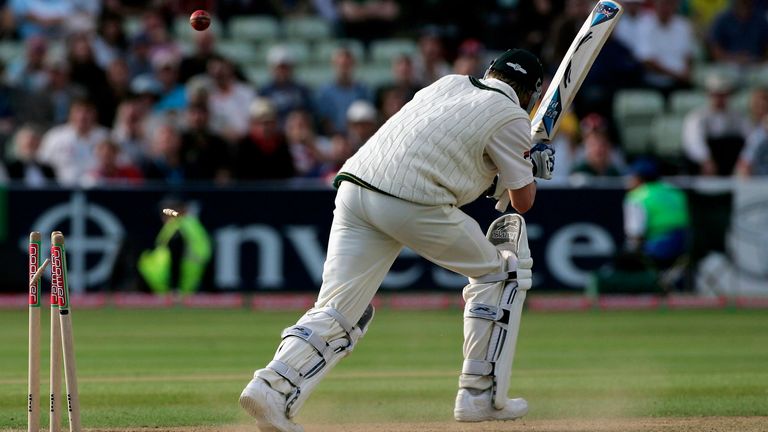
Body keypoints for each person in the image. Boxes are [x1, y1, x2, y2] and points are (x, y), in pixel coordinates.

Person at [239, 49, 555, 431]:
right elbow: (521, 203)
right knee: (501, 273)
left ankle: (270, 387)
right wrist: (535, 165)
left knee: (339, 309)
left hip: (356, 186)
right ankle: (479, 395)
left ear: (490, 71)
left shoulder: (448, 84)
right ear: (533, 96)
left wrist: (513, 166)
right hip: (413, 200)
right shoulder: (512, 116)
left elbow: (448, 147)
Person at [624, 158, 690, 270]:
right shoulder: (676, 192)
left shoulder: (636, 197)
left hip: (658, 249)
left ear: (639, 178)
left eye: (631, 177)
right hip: (686, 246)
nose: (628, 181)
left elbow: (635, 234)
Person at [682, 74, 750, 176]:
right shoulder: (697, 116)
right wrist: (706, 160)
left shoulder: (738, 116)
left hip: (731, 163)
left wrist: (745, 160)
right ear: (709, 94)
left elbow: (750, 138)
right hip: (705, 163)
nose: (720, 98)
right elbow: (694, 141)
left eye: (724, 94)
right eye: (716, 94)